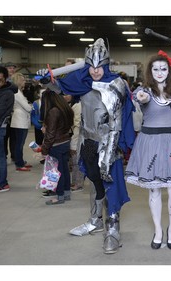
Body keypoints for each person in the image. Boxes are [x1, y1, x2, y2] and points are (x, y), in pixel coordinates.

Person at [37, 38, 135, 254]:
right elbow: (61, 88)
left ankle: (112, 230)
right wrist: (47, 81)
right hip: (88, 140)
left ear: (106, 64)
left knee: (111, 187)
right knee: (94, 182)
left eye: (99, 66)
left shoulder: (116, 85)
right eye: (91, 66)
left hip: (108, 144)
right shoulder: (82, 81)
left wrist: (109, 154)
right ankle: (94, 220)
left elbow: (116, 123)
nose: (95, 71)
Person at [125, 50, 171, 250]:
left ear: (169, 70)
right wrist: (139, 95)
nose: (159, 72)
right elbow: (141, 98)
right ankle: (158, 231)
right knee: (154, 190)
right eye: (155, 69)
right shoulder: (145, 91)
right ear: (150, 71)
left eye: (163, 68)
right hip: (151, 143)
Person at [39, 89, 74, 205]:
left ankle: (59, 196)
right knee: (64, 169)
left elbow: (51, 134)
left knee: (57, 172)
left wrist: (44, 149)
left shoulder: (53, 111)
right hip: (65, 142)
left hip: (56, 145)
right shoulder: (64, 109)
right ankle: (66, 193)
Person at [10, 73, 33, 171]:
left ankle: (20, 161)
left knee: (19, 143)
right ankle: (19, 164)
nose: (24, 82)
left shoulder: (18, 92)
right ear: (18, 81)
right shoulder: (17, 93)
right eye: (23, 80)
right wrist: (32, 106)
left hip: (20, 120)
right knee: (19, 144)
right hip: (20, 121)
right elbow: (28, 107)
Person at [4, 62, 17, 161]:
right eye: (9, 68)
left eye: (13, 68)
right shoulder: (4, 81)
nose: (12, 70)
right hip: (6, 112)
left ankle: (14, 155)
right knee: (5, 135)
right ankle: (4, 154)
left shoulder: (15, 80)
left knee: (14, 136)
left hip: (15, 112)